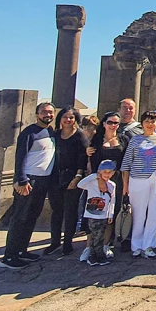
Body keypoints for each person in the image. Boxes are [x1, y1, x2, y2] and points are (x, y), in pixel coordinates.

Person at [0, 102, 56, 269]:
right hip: (29, 180)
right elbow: (20, 157)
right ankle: (8, 257)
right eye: (44, 112)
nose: (48, 115)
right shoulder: (29, 133)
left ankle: (21, 250)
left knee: (32, 217)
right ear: (37, 114)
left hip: (43, 180)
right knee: (19, 218)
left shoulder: (50, 131)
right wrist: (21, 179)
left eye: (50, 112)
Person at [82, 111, 128, 262]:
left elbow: (126, 162)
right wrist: (100, 181)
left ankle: (105, 244)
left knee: (110, 214)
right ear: (104, 123)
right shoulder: (96, 140)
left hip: (117, 180)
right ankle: (89, 246)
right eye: (110, 122)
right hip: (98, 180)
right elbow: (93, 162)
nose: (113, 125)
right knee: (94, 212)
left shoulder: (123, 139)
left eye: (116, 123)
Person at [121, 111, 156, 258]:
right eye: (147, 121)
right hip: (137, 180)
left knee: (153, 214)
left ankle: (149, 245)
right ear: (142, 123)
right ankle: (136, 245)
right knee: (138, 215)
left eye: (153, 121)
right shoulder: (135, 140)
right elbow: (127, 163)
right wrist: (125, 185)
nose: (150, 124)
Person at [46, 106, 87, 256]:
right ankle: (55, 241)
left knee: (70, 211)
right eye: (65, 117)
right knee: (56, 211)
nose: (68, 120)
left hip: (72, 177)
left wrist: (78, 177)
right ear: (60, 119)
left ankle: (68, 242)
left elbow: (82, 158)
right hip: (55, 177)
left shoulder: (80, 136)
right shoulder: (54, 135)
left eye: (71, 117)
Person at [77, 159, 117, 267]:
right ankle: (95, 256)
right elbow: (80, 184)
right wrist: (96, 176)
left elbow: (112, 201)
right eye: (104, 172)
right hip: (92, 214)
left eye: (110, 172)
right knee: (96, 236)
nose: (107, 175)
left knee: (99, 236)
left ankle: (96, 256)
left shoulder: (112, 185)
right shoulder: (92, 182)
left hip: (103, 215)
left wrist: (110, 214)